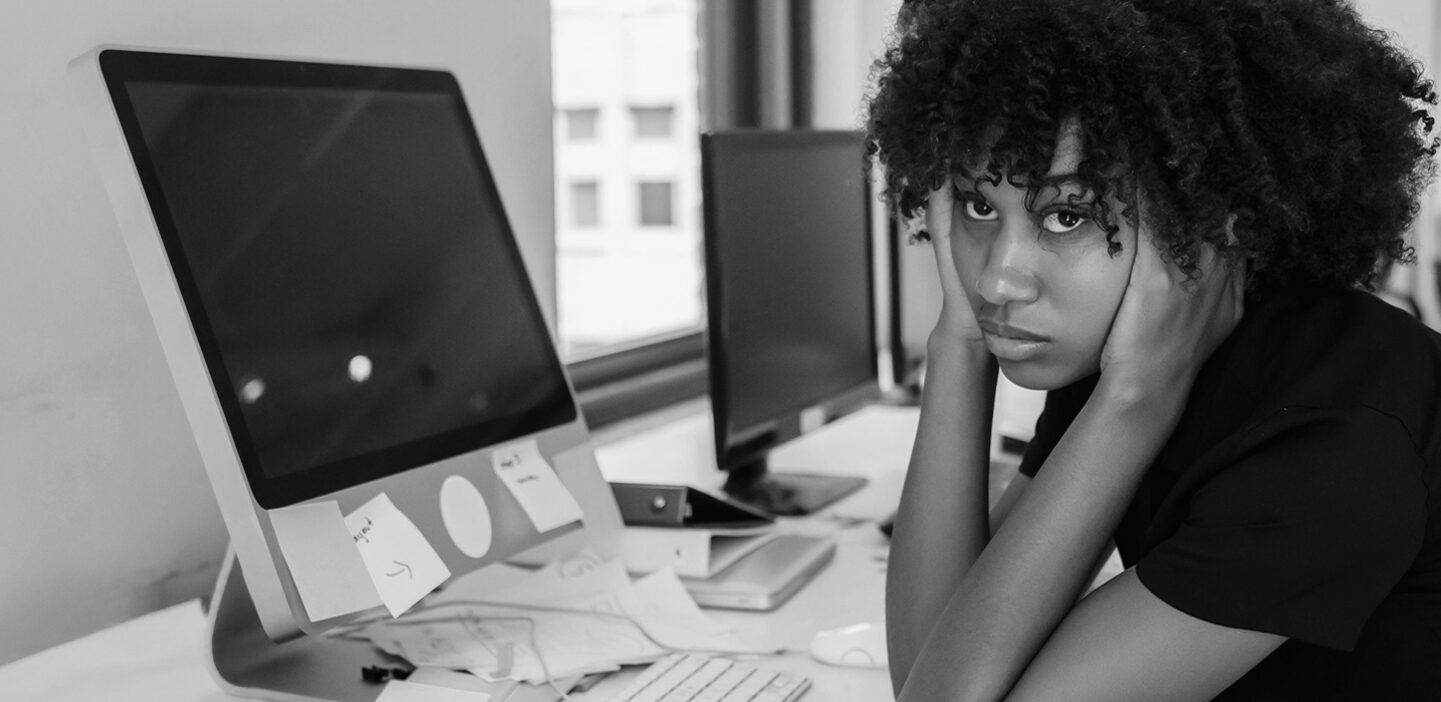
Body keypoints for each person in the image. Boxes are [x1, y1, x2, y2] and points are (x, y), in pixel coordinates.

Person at [864, 1, 1441, 700]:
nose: (997, 279)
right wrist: (956, 342)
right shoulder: (1126, 347)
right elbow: (935, 658)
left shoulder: (1330, 446)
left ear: (1208, 222)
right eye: (978, 207)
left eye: (1066, 215)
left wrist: (1136, 400)